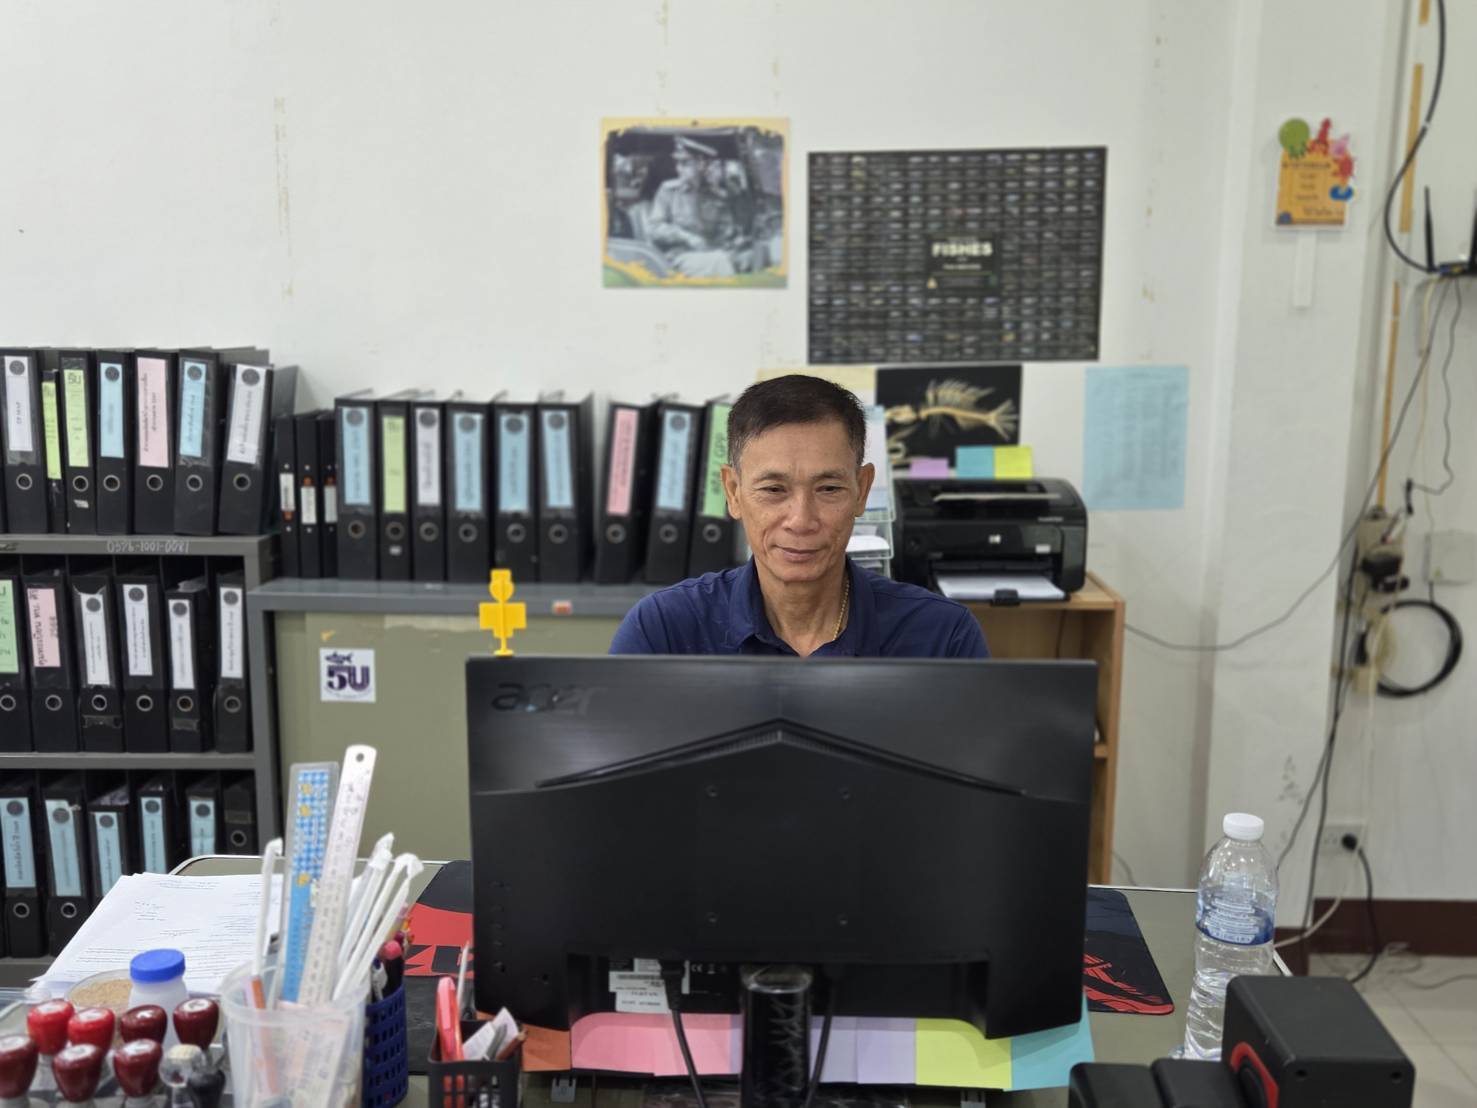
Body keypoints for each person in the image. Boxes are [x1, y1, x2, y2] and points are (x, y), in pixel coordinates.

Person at [610, 375, 990, 658]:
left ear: (861, 490)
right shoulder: (662, 632)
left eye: (829, 489)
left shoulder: (944, 638)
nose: (801, 520)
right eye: (774, 490)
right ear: (733, 492)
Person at [647, 135, 741, 278]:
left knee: (741, 259)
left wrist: (732, 242)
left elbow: (727, 232)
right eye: (678, 163)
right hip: (678, 257)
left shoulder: (717, 196)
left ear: (702, 164)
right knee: (720, 262)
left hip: (710, 253)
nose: (679, 169)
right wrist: (686, 237)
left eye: (685, 163)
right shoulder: (669, 191)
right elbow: (654, 228)